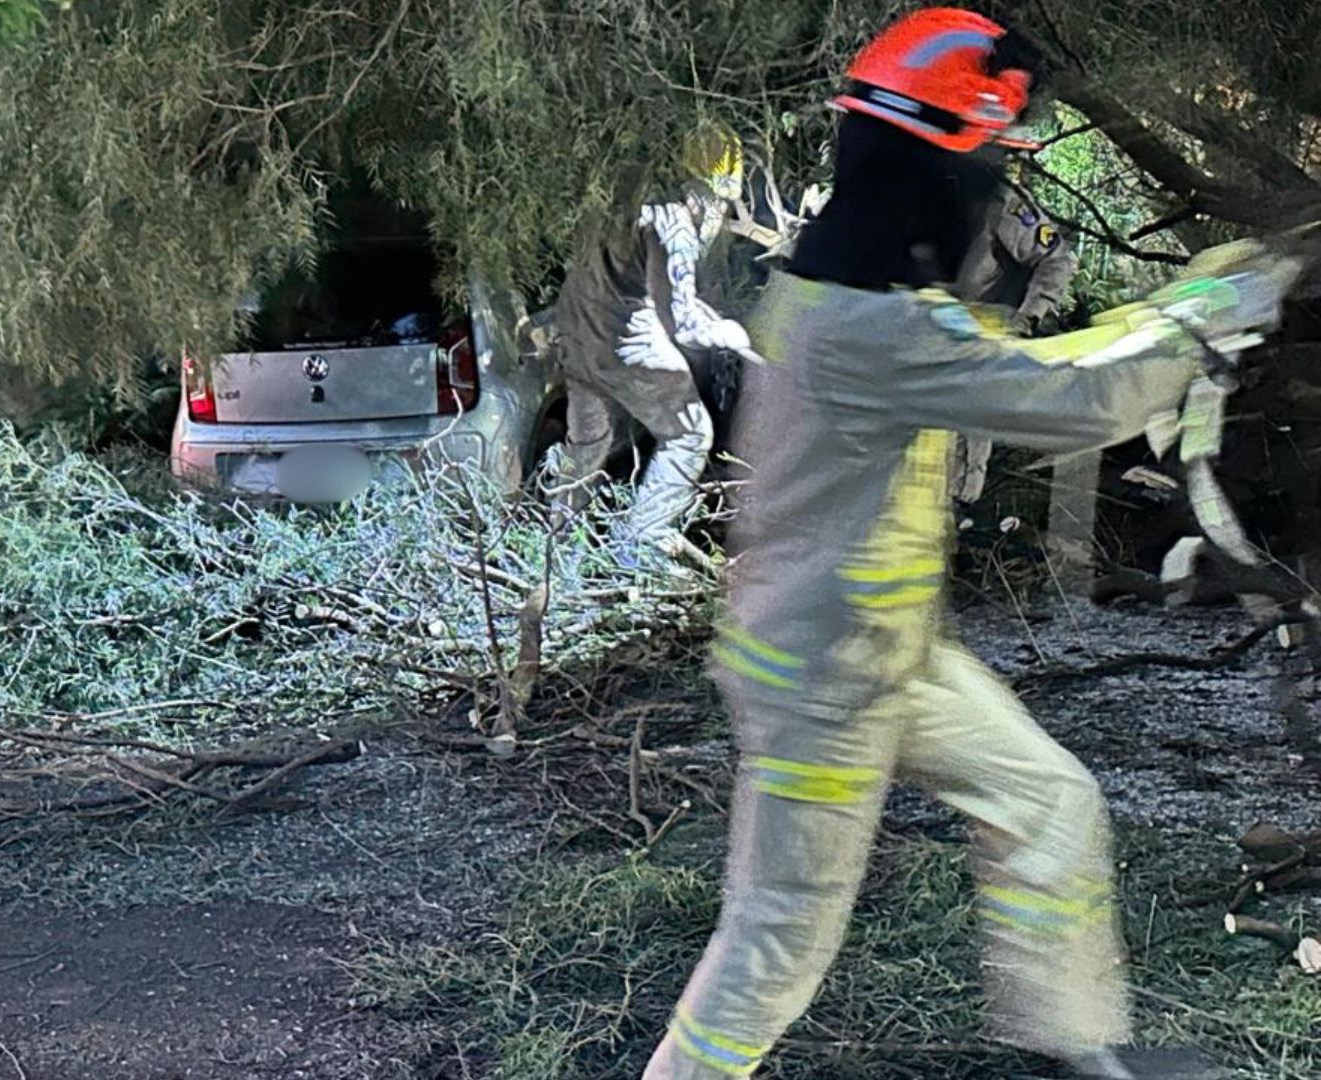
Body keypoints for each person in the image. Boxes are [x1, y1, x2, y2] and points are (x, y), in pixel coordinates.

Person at [640, 9, 1302, 1080]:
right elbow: (1076, 398)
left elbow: (1040, 366)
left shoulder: (860, 289)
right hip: (820, 680)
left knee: (1048, 802)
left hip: (883, 651)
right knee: (779, 935)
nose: (994, 187)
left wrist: (1185, 311)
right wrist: (1209, 307)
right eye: (988, 160)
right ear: (933, 168)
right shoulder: (867, 327)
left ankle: (1080, 1048)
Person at [548, 119, 751, 569]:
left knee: (586, 448)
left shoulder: (618, 203)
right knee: (690, 434)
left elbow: (654, 293)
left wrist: (706, 314)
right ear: (706, 190)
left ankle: (555, 561)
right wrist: (731, 334)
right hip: (626, 343)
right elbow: (681, 324)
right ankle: (640, 543)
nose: (720, 214)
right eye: (720, 202)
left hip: (578, 338)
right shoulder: (675, 225)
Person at [949, 170, 1082, 504]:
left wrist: (1027, 317)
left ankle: (959, 508)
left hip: (981, 337)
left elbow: (1056, 260)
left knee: (960, 453)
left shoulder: (999, 200)